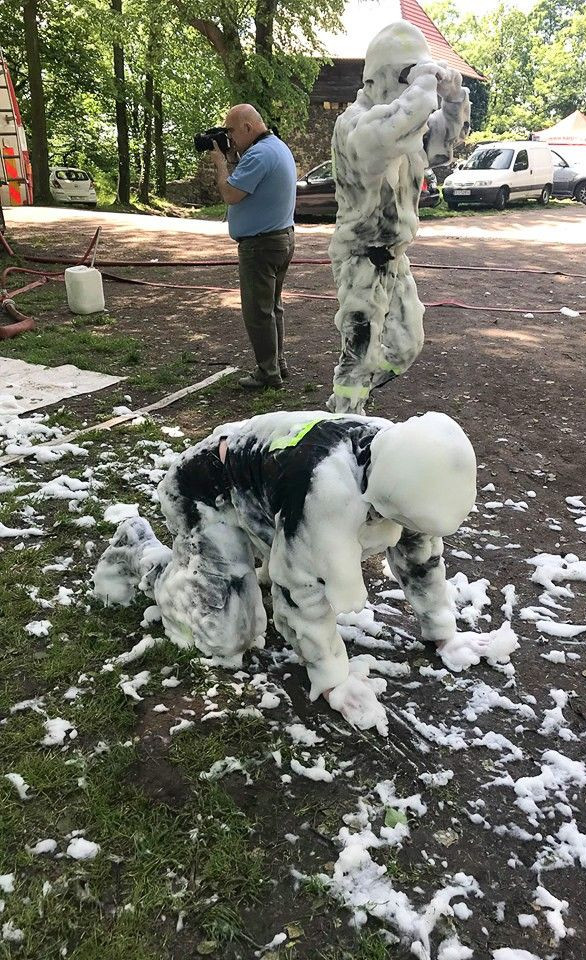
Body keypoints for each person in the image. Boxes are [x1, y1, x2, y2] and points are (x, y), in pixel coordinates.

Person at [93, 410, 478, 734]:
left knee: (289, 547)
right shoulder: (324, 491)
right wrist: (332, 677)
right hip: (207, 487)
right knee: (228, 635)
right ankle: (141, 550)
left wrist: (441, 631)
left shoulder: (407, 460)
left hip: (263, 485)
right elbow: (299, 592)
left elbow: (420, 554)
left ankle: (249, 555)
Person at [327, 22, 471, 414]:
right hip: (360, 257)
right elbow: (387, 135)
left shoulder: (409, 123)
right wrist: (423, 84)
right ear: (377, 79)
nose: (414, 86)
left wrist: (453, 97)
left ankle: (352, 397)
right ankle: (345, 419)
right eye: (406, 75)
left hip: (394, 257)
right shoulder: (354, 124)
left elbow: (443, 142)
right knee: (358, 352)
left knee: (406, 346)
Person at [211, 104, 296, 390]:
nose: (229, 139)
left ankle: (267, 372)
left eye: (231, 131)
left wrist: (221, 164)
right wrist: (234, 159)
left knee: (258, 313)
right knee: (272, 307)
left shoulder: (259, 154)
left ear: (248, 127)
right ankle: (278, 363)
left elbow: (231, 194)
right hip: (281, 238)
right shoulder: (276, 147)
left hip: (261, 244)